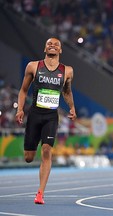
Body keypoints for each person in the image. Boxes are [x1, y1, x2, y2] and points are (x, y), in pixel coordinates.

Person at [15, 37, 77, 204]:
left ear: (60, 50)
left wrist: (72, 107)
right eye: (50, 43)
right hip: (35, 115)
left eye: (56, 44)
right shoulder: (33, 66)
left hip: (51, 116)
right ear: (45, 48)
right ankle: (30, 151)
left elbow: (67, 92)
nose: (53, 46)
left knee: (47, 151)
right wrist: (20, 109)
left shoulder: (67, 71)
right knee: (29, 157)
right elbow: (23, 90)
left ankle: (40, 193)